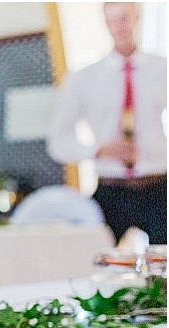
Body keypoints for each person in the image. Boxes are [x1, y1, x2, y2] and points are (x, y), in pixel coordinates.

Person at [46, 2, 166, 245]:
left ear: (137, 18)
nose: (120, 26)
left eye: (125, 18)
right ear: (105, 24)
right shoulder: (83, 79)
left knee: (162, 269)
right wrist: (97, 150)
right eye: (113, 20)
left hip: (158, 188)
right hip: (111, 190)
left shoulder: (163, 70)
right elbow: (58, 141)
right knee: (96, 262)